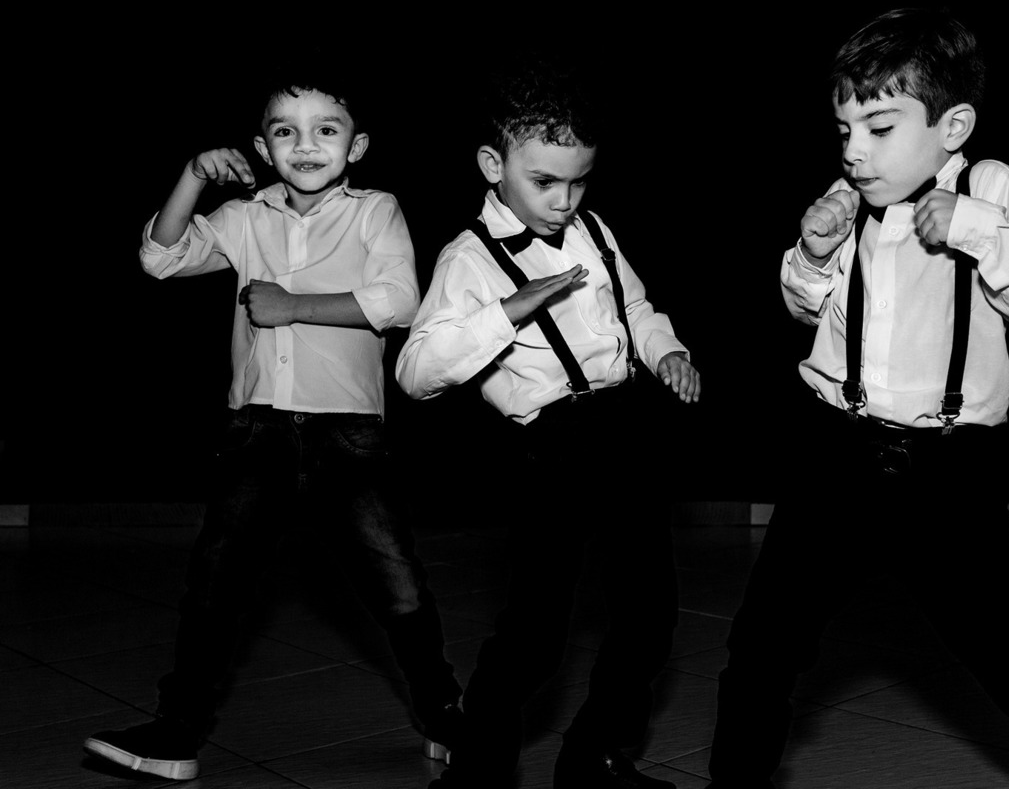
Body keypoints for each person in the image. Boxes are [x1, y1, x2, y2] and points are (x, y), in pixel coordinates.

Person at [707, 8, 1009, 789]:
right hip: (834, 447)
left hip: (949, 467)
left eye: (879, 127)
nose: (855, 151)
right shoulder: (846, 198)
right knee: (764, 645)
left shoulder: (991, 186)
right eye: (843, 131)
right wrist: (812, 251)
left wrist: (977, 228)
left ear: (953, 125)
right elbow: (807, 308)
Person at [83, 70, 462, 781]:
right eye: (285, 131)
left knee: (396, 582)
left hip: (348, 433)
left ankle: (446, 715)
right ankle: (177, 733)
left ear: (358, 146)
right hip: (255, 431)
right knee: (215, 586)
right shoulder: (245, 217)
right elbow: (159, 258)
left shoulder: (375, 209)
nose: (306, 144)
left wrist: (294, 306)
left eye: (328, 129)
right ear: (263, 146)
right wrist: (195, 175)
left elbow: (401, 299)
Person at [395, 58, 700, 789]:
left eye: (579, 180)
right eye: (545, 182)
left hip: (624, 430)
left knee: (650, 619)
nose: (565, 201)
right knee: (534, 639)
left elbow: (638, 309)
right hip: (551, 449)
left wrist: (669, 352)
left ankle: (596, 755)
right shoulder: (468, 259)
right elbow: (415, 374)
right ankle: (478, 772)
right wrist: (509, 311)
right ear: (492, 164)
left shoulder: (593, 229)